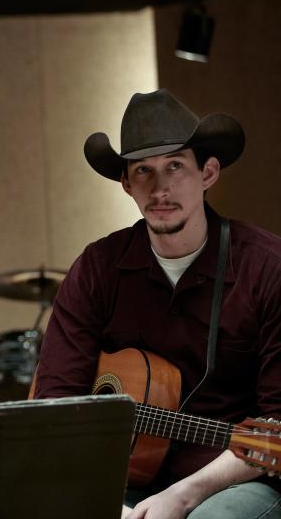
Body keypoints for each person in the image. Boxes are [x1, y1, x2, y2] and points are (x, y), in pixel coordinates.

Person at [34, 88, 281, 519]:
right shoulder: (97, 269)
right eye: (144, 171)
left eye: (175, 166)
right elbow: (55, 408)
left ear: (208, 172)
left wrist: (181, 497)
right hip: (118, 484)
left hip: (235, 479)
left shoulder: (267, 269)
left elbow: (278, 427)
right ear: (126, 184)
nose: (161, 187)